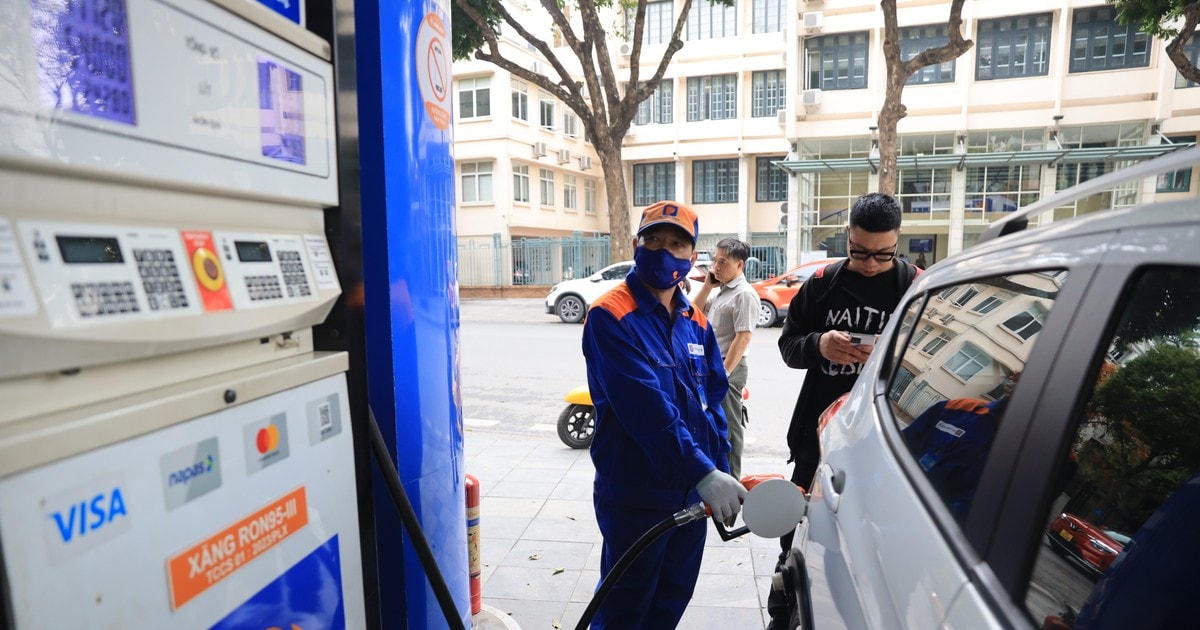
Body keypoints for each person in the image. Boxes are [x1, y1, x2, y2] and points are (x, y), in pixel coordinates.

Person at [581, 200, 746, 629]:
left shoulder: (696, 321)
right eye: (653, 239)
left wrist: (721, 469)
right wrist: (704, 473)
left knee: (670, 600)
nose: (662, 250)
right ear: (636, 244)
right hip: (637, 492)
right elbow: (646, 411)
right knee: (624, 606)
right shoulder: (610, 316)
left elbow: (713, 402)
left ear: (692, 258)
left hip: (691, 495)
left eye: (676, 243)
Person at [777, 192, 920, 524]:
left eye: (883, 254)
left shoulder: (915, 288)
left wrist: (895, 352)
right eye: (859, 251)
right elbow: (788, 348)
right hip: (819, 436)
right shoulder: (821, 285)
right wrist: (819, 344)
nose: (870, 263)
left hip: (885, 440)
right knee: (799, 527)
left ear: (898, 238)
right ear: (847, 234)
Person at [692, 237, 757, 480]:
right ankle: (717, 476)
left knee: (729, 427)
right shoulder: (721, 291)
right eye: (715, 261)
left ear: (739, 265)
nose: (716, 267)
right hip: (711, 367)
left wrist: (724, 373)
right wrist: (708, 286)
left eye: (723, 262)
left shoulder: (744, 294)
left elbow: (743, 338)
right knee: (713, 425)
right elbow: (694, 312)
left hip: (728, 368)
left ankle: (732, 481)